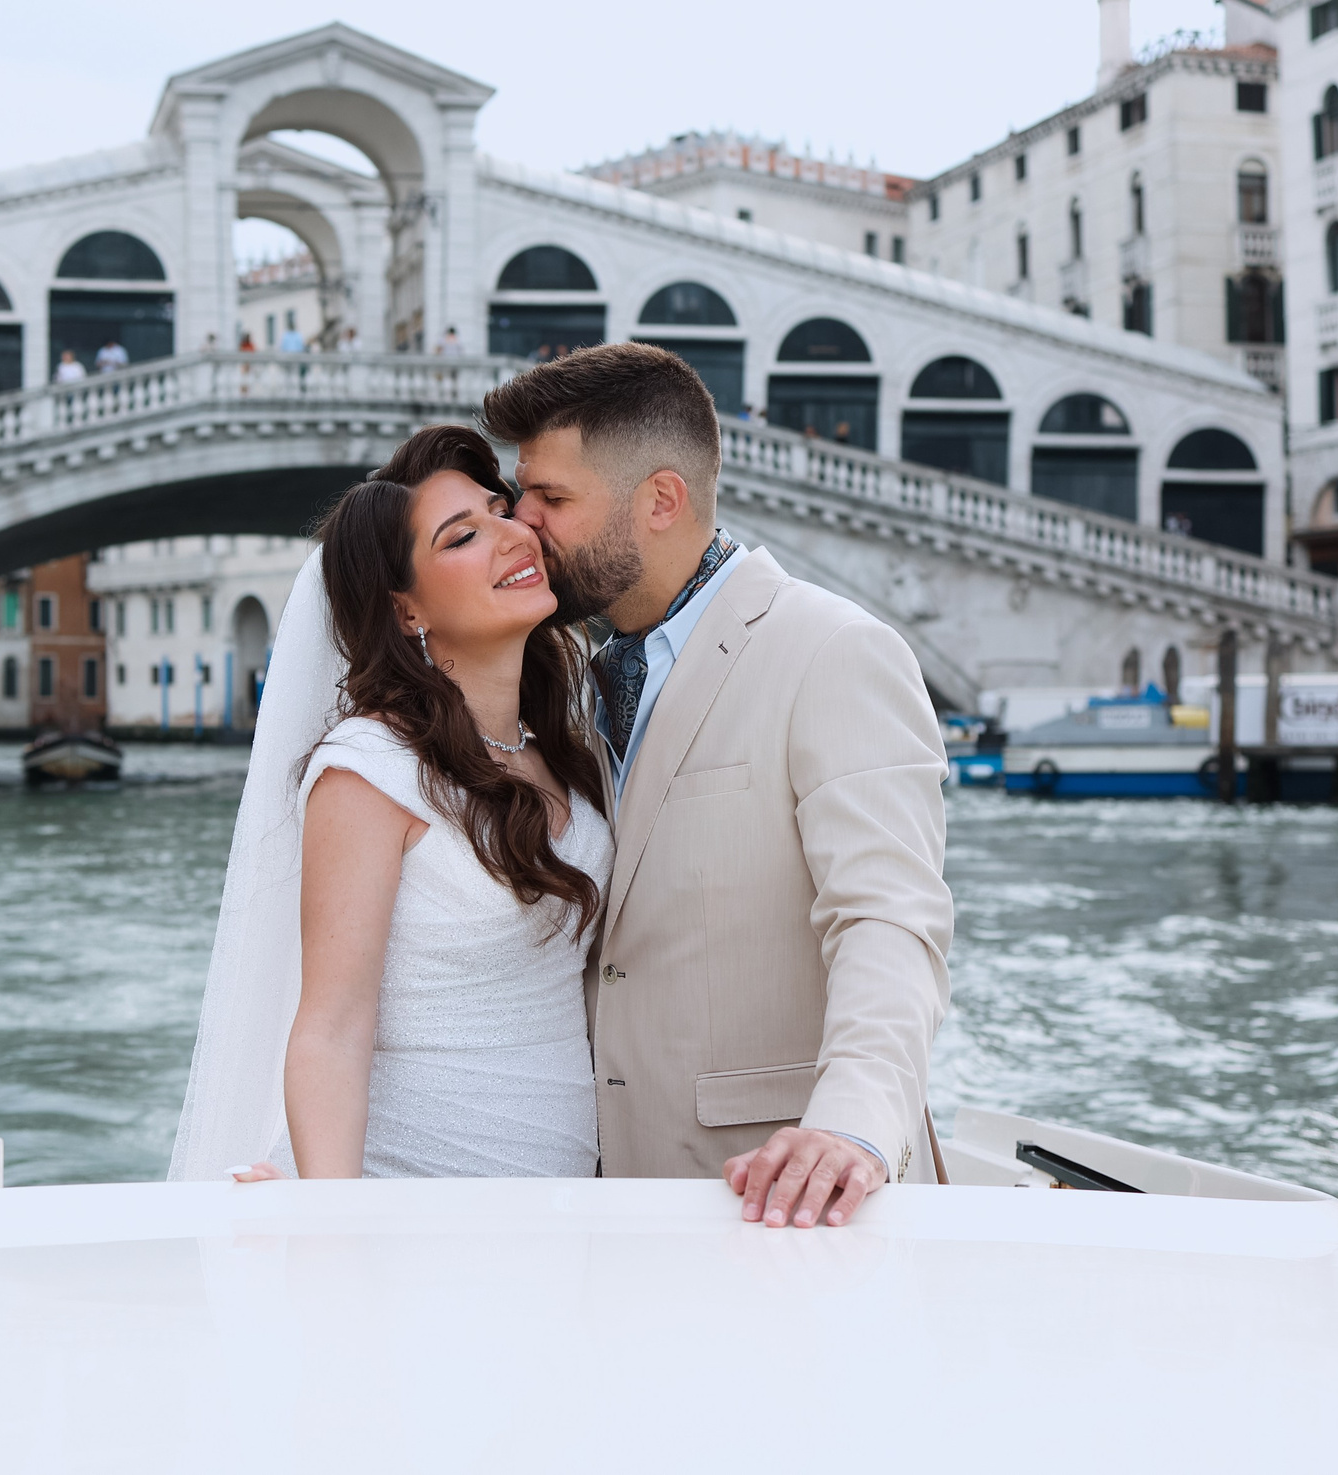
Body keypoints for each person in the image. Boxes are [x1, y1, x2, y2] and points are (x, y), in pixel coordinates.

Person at [480, 343, 952, 1229]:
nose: (523, 523)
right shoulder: (569, 680)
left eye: (552, 499)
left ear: (661, 499)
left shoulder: (833, 650)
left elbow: (891, 918)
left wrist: (851, 1126)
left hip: (794, 1205)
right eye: (521, 495)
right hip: (607, 1207)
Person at [173, 426, 609, 1180]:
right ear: (408, 612)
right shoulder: (371, 769)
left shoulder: (567, 751)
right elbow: (332, 1027)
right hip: (417, 1196)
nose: (513, 536)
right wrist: (331, 1222)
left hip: (567, 1200)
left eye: (501, 509)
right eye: (464, 535)